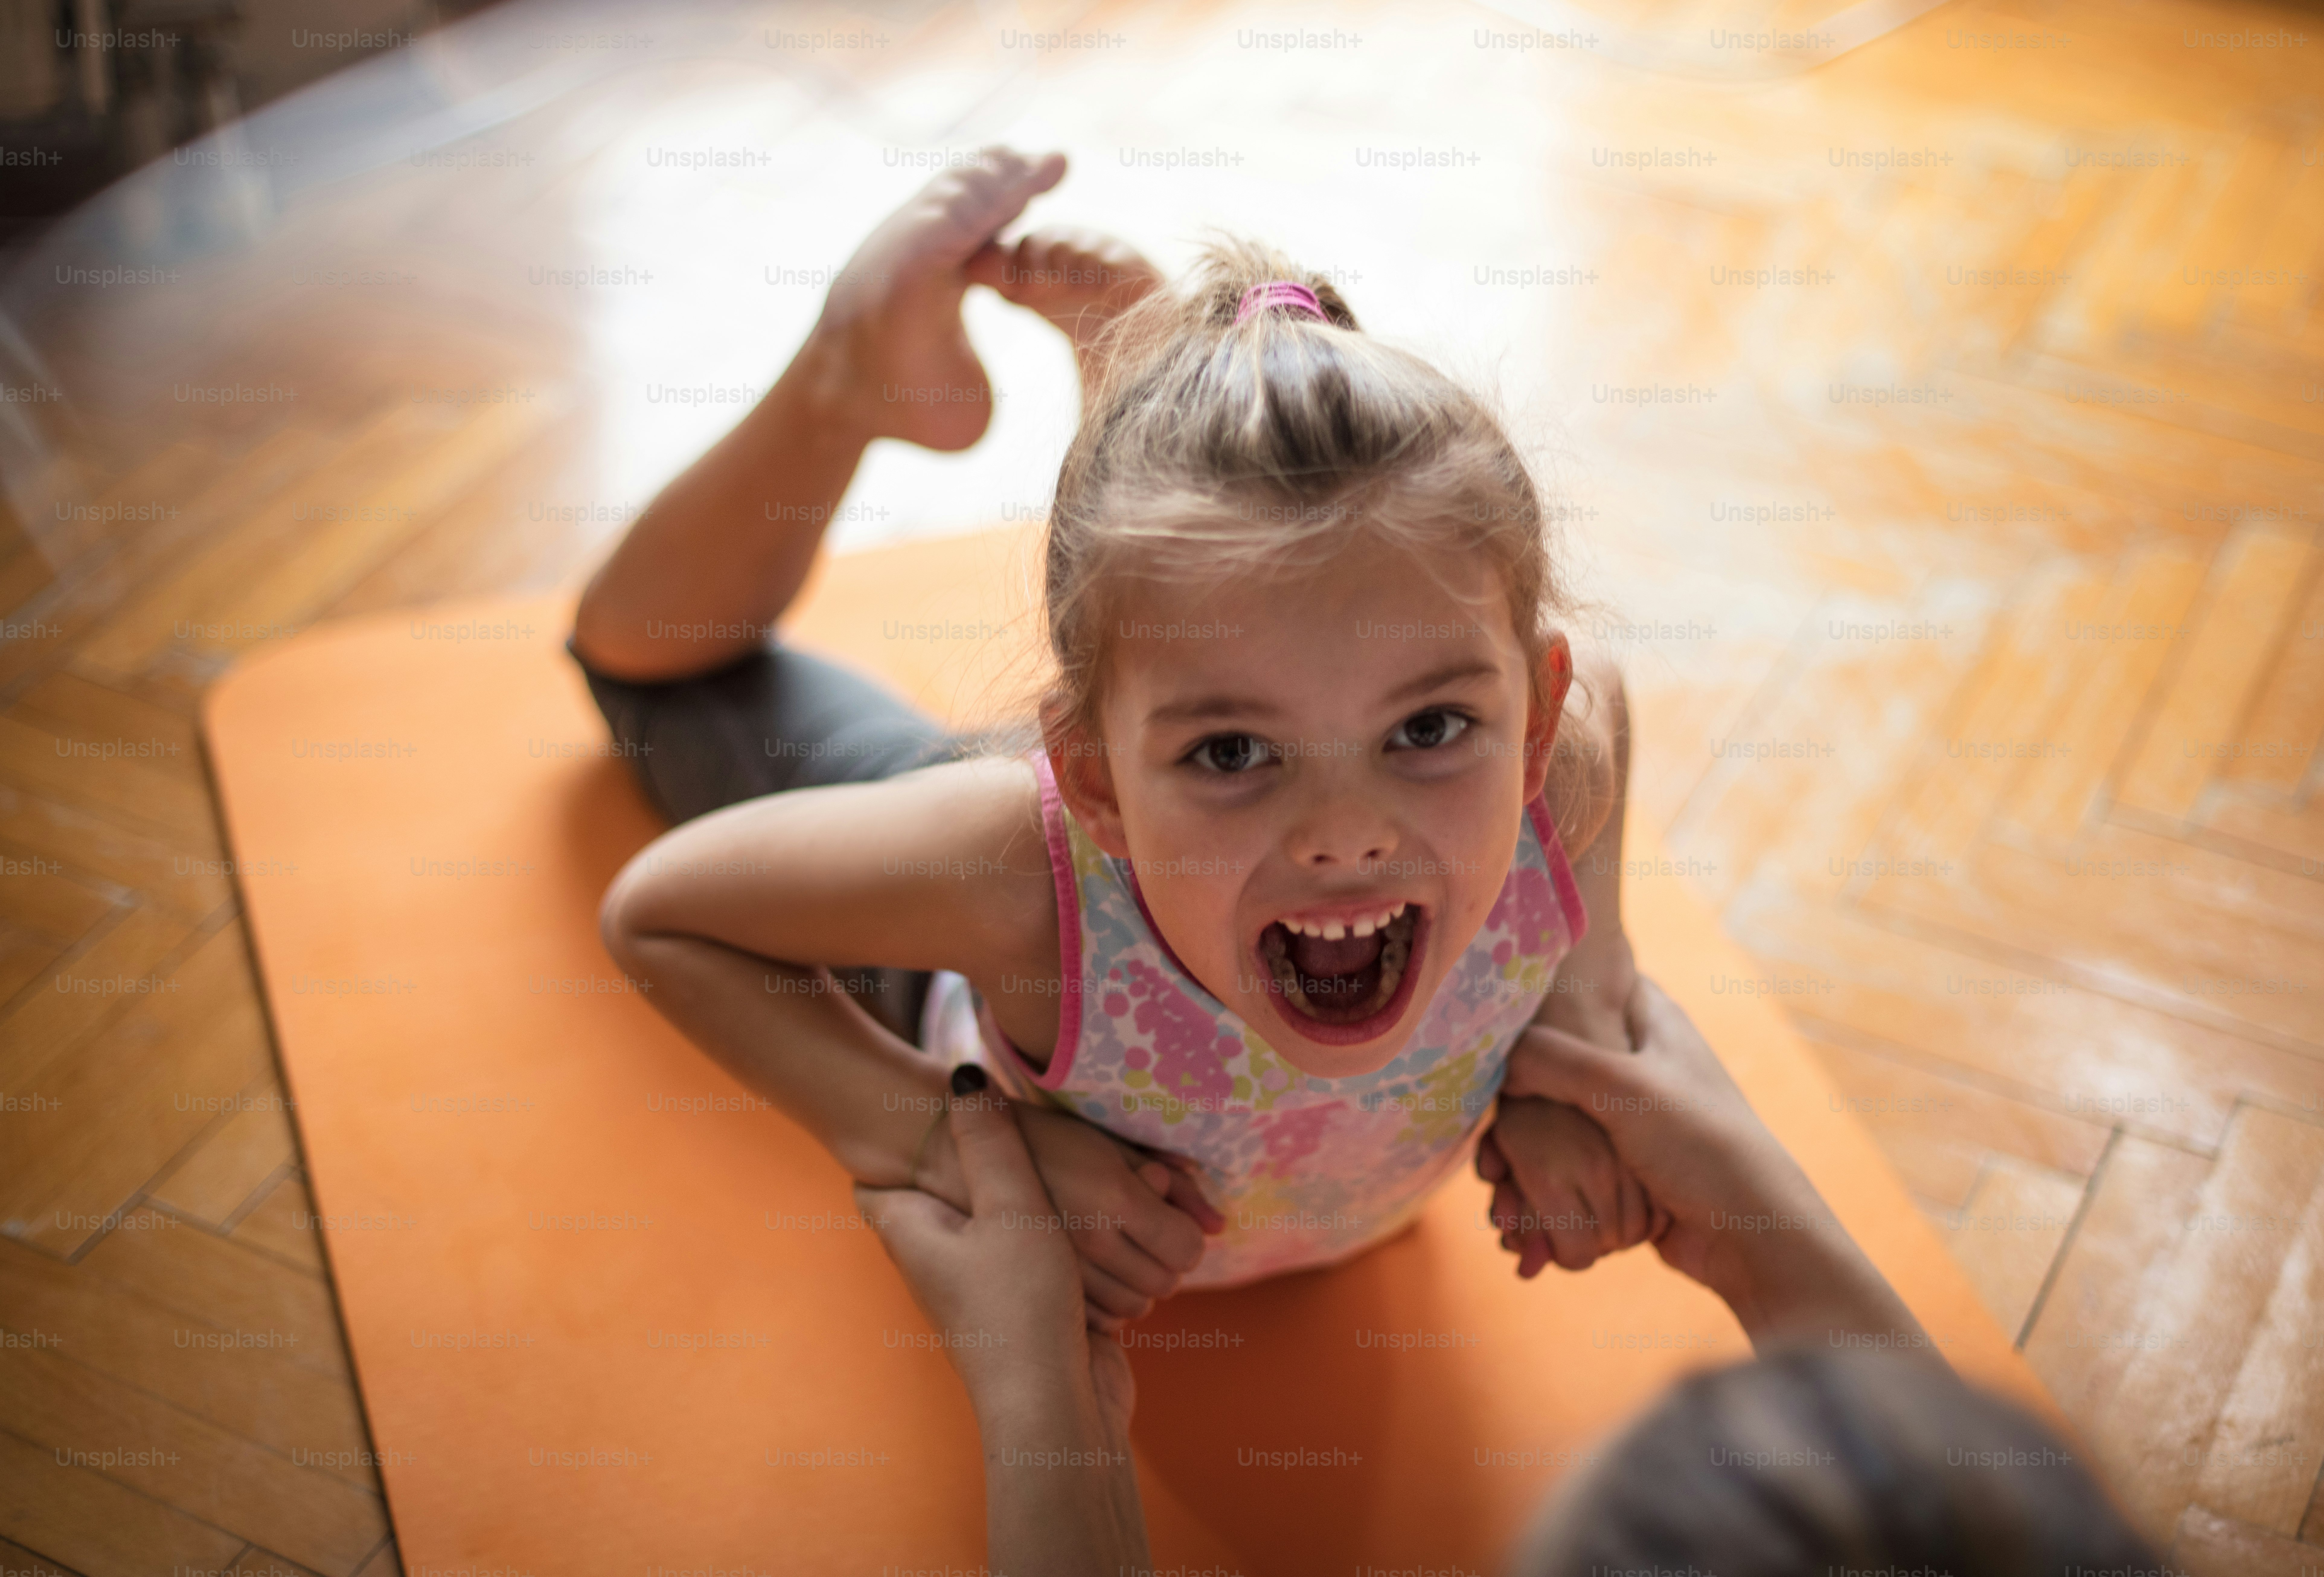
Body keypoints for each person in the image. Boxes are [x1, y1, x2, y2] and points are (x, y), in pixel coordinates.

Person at [578, 144, 1656, 1323]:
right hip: (1013, 883)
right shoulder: (1017, 879)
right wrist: (949, 1143)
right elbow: (660, 911)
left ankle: (1134, 384)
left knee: (1195, 659)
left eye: (1429, 726)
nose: (1345, 835)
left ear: (1532, 722)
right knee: (651, 674)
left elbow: (1596, 677)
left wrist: (1583, 1012)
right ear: (1087, 778)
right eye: (1235, 752)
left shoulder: (1558, 771)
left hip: (1151, 750)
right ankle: (846, 379)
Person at [859, 976, 2167, 1576]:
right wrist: (1588, 1015)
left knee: (656, 666)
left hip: (928, 983)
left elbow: (665, 908)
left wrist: (1039, 1403)